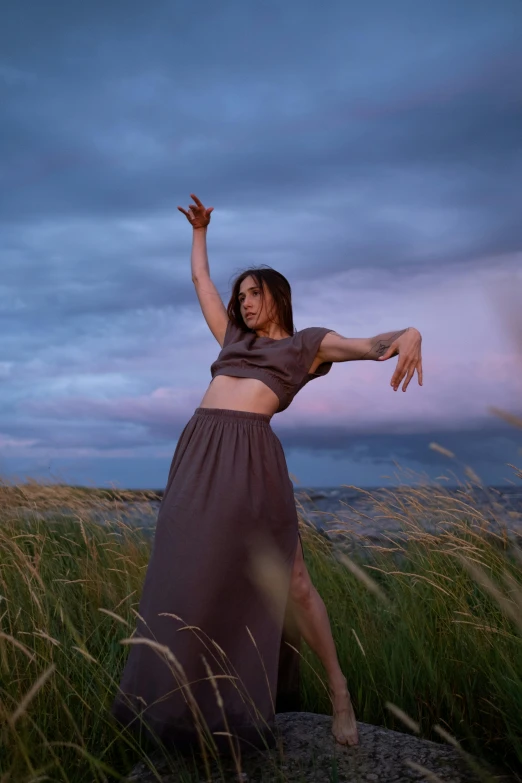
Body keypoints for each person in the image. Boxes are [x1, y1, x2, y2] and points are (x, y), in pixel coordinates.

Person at [110, 193, 423, 758]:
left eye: (254, 293)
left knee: (294, 583)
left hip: (250, 459)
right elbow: (201, 280)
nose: (245, 302)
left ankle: (339, 693)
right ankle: (190, 709)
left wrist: (411, 333)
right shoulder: (233, 336)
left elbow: (374, 346)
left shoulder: (307, 346)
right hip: (197, 454)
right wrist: (200, 232)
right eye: (242, 296)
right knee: (189, 573)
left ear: (277, 294)